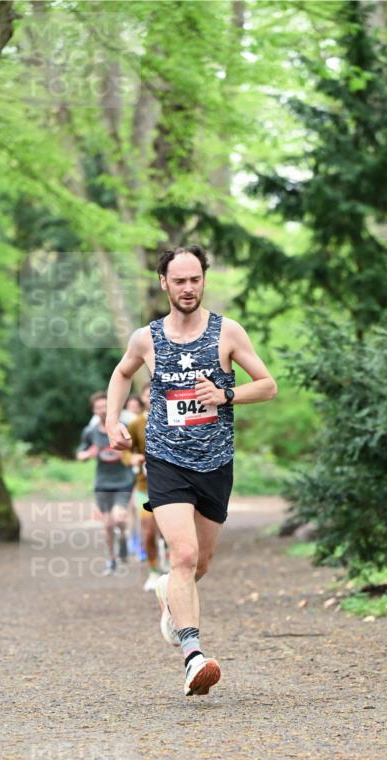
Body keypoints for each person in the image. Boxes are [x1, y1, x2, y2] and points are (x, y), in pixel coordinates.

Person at [105, 245, 277, 697]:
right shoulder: (146, 338)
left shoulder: (227, 332)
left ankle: (170, 594)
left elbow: (267, 385)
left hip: (215, 463)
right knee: (182, 556)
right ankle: (193, 656)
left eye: (195, 279)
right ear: (164, 282)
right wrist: (112, 421)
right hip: (165, 461)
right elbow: (122, 374)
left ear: (204, 280)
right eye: (179, 280)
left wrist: (226, 395)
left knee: (200, 563)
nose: (187, 288)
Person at [76, 392, 135, 575]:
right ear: (94, 411)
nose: (102, 410)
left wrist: (127, 454)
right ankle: (111, 560)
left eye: (105, 406)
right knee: (108, 525)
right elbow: (80, 454)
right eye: (98, 407)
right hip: (102, 483)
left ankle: (123, 540)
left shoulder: (123, 428)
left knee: (119, 518)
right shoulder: (90, 432)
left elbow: (137, 450)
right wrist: (88, 454)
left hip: (123, 481)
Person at [127, 382, 166, 591]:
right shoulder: (136, 424)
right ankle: (153, 571)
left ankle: (172, 568)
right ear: (142, 398)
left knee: (170, 530)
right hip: (145, 486)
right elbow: (125, 449)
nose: (151, 397)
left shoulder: (173, 419)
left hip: (171, 484)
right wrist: (131, 458)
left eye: (155, 392)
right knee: (149, 531)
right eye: (147, 394)